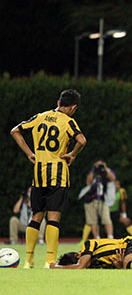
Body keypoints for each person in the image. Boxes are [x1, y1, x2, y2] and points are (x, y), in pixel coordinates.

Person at [10, 89, 87, 268]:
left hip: (39, 174)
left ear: (58, 102)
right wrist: (72, 155)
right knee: (53, 218)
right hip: (58, 175)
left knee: (35, 216)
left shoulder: (40, 117)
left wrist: (30, 153)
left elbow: (15, 131)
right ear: (73, 107)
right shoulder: (68, 122)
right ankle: (50, 260)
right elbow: (82, 140)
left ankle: (28, 260)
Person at [79, 160, 116, 240]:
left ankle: (110, 236)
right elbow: (88, 182)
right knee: (93, 220)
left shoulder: (106, 172)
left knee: (106, 219)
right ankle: (96, 237)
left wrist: (105, 168)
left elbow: (113, 178)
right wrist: (94, 169)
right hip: (91, 199)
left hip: (103, 199)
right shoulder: (93, 172)